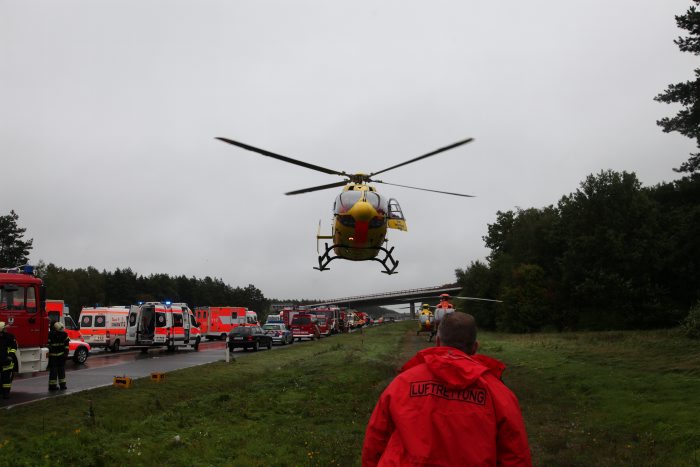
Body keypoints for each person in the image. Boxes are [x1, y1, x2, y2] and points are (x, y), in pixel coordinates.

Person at [362, 312, 532, 466]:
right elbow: (516, 456)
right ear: (475, 347)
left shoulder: (401, 384)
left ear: (437, 342)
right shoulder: (498, 393)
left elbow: (376, 440)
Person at [48, 321, 70, 391]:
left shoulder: (50, 334)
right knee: (61, 371)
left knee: (53, 372)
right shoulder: (64, 334)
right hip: (61, 356)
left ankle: (52, 386)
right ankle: (62, 386)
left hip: (53, 356)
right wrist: (65, 354)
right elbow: (67, 346)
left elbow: (48, 345)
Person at [0, 321, 17, 399]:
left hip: (7, 361)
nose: (6, 329)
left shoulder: (10, 337)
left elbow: (14, 347)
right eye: (5, 328)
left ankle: (6, 393)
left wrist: (10, 356)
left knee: (6, 379)